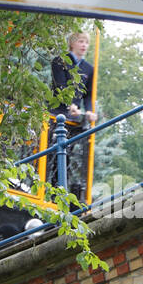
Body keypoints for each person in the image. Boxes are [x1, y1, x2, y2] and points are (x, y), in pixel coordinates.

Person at [47, 32, 97, 200]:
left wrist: (89, 110)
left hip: (73, 118)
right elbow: (60, 86)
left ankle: (61, 190)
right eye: (81, 41)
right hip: (56, 113)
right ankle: (48, 186)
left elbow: (88, 94)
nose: (84, 45)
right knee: (51, 151)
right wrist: (70, 105)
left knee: (67, 154)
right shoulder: (60, 61)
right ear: (72, 43)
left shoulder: (89, 68)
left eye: (86, 42)